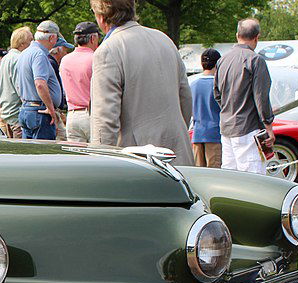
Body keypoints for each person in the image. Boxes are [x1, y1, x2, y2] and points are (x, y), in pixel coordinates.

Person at [89, 0, 194, 165]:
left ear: (101, 17)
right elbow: (185, 99)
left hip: (139, 161)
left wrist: (98, 165)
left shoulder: (108, 50)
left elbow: (105, 120)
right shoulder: (164, 40)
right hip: (178, 153)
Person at [215, 19, 274, 174]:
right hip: (248, 128)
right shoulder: (255, 60)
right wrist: (268, 126)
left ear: (237, 35)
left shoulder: (222, 60)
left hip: (226, 126)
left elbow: (217, 94)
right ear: (257, 37)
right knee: (252, 180)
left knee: (229, 179)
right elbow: (261, 97)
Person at [16, 20, 64, 140]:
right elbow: (40, 84)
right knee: (44, 156)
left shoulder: (24, 53)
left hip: (27, 108)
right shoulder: (39, 55)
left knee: (29, 156)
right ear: (52, 37)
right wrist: (51, 109)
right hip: (40, 112)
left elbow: (17, 85)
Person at [60, 22, 100, 142]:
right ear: (93, 38)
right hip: (91, 115)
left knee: (77, 159)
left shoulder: (65, 60)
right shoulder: (96, 58)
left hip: (72, 115)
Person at [0, 27, 33, 138]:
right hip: (17, 114)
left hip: (6, 112)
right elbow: (20, 87)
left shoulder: (6, 58)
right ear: (22, 44)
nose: (33, 43)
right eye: (31, 40)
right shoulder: (18, 59)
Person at [191, 49, 223, 168]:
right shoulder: (219, 85)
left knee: (199, 173)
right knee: (215, 173)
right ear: (218, 63)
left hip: (197, 134)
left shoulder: (193, 85)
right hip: (215, 134)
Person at [49, 38, 73, 140]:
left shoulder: (51, 62)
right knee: (62, 138)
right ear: (58, 49)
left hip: (55, 109)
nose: (66, 53)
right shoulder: (51, 63)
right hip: (52, 111)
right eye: (65, 49)